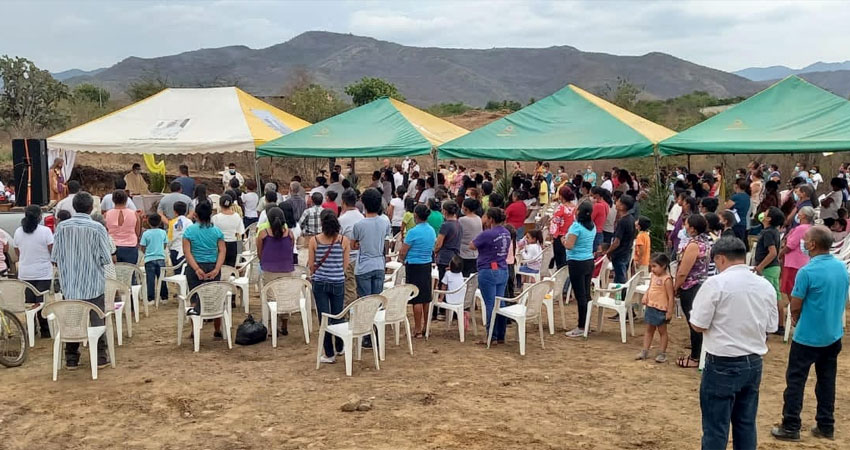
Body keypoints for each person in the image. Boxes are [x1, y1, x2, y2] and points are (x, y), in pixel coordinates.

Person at [688, 237, 778, 450]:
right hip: (754, 361)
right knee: (746, 424)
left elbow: (698, 325)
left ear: (719, 259)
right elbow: (772, 326)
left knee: (715, 427)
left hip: (722, 362)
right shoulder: (764, 285)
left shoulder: (716, 284)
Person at [771, 226, 848, 442]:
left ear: (812, 244)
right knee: (826, 381)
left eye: (805, 240)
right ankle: (826, 424)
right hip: (832, 334)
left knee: (795, 381)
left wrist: (795, 318)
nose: (803, 243)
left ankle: (791, 425)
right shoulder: (841, 267)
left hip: (807, 337)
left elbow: (795, 304)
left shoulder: (807, 271)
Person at [51, 192, 113, 369]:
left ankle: (71, 358)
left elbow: (54, 257)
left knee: (71, 320)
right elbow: (106, 258)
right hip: (93, 284)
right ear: (90, 208)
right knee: (97, 319)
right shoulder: (97, 228)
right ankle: (100, 356)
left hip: (69, 285)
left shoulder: (62, 228)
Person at [310, 210, 350, 364]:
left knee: (324, 317)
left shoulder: (314, 241)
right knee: (338, 314)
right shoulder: (343, 241)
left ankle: (329, 352)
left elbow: (312, 265)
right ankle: (340, 347)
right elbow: (345, 265)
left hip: (320, 282)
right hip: (338, 281)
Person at [675, 214, 713, 369]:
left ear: (692, 228)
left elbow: (684, 271)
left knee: (694, 322)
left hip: (690, 286)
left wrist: (675, 286)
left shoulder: (694, 245)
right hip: (701, 284)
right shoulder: (706, 241)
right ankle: (700, 353)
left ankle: (695, 357)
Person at [182, 201, 226, 339]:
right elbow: (222, 251)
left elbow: (187, 252)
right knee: (215, 297)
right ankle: (217, 330)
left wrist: (196, 268)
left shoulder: (189, 231)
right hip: (213, 265)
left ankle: (195, 330)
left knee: (195, 298)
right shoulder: (217, 231)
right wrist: (217, 268)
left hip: (195, 266)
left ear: (195, 215)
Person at [471, 207, 511, 344]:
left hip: (488, 269)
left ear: (491, 219)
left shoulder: (487, 234)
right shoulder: (506, 232)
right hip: (502, 268)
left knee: (490, 303)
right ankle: (500, 335)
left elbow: (472, 245)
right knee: (501, 302)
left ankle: (491, 335)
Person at [13, 205, 54, 337]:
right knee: (41, 301)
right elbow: (51, 249)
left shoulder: (18, 232)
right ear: (39, 217)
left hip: (25, 272)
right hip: (43, 272)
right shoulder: (46, 231)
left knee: (30, 302)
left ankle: (32, 328)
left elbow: (17, 251)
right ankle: (45, 330)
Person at [256, 206, 296, 335]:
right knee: (284, 296)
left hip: (269, 270)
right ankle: (284, 325)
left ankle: (272, 326)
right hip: (287, 269)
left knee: (271, 298)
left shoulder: (263, 234)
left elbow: (260, 253)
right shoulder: (290, 234)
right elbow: (290, 250)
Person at [399, 204, 437, 338]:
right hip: (426, 264)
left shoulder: (413, 232)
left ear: (416, 215)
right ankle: (426, 327)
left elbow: (403, 251)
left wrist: (401, 259)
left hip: (414, 265)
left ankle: (417, 329)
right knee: (426, 297)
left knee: (416, 299)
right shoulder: (431, 230)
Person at [352, 188, 391, 305]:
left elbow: (353, 245)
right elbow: (385, 240)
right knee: (377, 301)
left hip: (364, 266)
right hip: (379, 264)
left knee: (365, 302)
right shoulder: (385, 222)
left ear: (364, 204)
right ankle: (376, 323)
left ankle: (367, 323)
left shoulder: (359, 225)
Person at [778, 206, 813, 335]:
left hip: (793, 263)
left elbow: (790, 245)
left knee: (790, 289)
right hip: (802, 261)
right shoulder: (810, 228)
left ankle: (796, 316)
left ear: (803, 216)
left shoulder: (800, 229)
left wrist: (779, 255)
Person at [563, 201, 596, 338]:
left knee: (580, 295)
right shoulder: (592, 226)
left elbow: (569, 245)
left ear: (578, 212)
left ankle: (581, 326)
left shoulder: (576, 227)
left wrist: (563, 241)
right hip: (588, 260)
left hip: (577, 262)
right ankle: (586, 323)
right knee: (586, 294)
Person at [636, 253, 674, 362]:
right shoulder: (653, 276)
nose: (652, 269)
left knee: (662, 332)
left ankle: (662, 353)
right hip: (651, 306)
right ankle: (645, 350)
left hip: (661, 309)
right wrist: (645, 296)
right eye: (651, 266)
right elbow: (650, 288)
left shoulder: (667, 280)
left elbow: (671, 297)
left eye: (654, 266)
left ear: (663, 266)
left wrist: (669, 311)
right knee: (649, 330)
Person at [753, 207, 783, 313]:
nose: (763, 213)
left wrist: (760, 266)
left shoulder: (768, 233)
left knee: (769, 295)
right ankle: (780, 324)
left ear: (769, 218)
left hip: (768, 268)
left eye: (765, 212)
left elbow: (773, 252)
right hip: (774, 267)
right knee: (776, 294)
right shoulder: (774, 232)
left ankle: (776, 323)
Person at [338, 188, 364, 304]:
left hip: (348, 260)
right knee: (360, 291)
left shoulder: (341, 220)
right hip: (362, 259)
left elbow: (337, 242)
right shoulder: (362, 218)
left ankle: (349, 317)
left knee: (349, 291)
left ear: (343, 202)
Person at [603, 194, 636, 284]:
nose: (616, 202)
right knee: (619, 276)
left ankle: (622, 296)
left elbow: (617, 241)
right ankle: (620, 294)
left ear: (622, 206)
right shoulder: (631, 219)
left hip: (620, 254)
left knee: (620, 278)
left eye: (618, 201)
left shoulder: (623, 221)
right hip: (626, 252)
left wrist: (608, 251)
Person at [104, 189, 140, 264]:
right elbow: (137, 232)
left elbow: (105, 231)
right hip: (131, 246)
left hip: (112, 247)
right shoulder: (134, 214)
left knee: (113, 273)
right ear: (126, 200)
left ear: (113, 200)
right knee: (129, 272)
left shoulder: (107, 214)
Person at [140, 214, 168, 305]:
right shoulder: (163, 232)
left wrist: (147, 253)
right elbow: (165, 245)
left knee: (150, 279)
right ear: (160, 222)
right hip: (160, 257)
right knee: (162, 278)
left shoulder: (146, 233)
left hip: (149, 259)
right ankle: (164, 297)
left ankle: (151, 298)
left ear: (148, 222)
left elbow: (143, 246)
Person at [434, 200, 461, 290]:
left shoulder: (445, 225)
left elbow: (438, 244)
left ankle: (442, 300)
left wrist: (435, 251)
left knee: (443, 282)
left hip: (444, 257)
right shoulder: (459, 224)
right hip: (455, 257)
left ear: (444, 211)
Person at [211, 194, 244, 267]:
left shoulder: (215, 218)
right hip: (233, 244)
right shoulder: (237, 216)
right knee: (231, 267)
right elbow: (241, 232)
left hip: (219, 244)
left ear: (220, 204)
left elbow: (212, 233)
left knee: (219, 266)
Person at [549, 186, 576, 269]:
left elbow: (555, 223)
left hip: (560, 237)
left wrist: (552, 236)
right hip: (572, 236)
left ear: (561, 196)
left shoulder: (561, 208)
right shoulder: (575, 207)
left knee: (560, 261)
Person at [458, 198, 483, 277]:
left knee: (464, 277)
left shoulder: (462, 220)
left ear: (466, 208)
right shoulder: (478, 218)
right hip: (475, 253)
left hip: (464, 253)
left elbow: (458, 235)